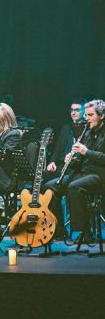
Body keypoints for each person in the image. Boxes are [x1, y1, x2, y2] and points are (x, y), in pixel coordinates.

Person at [42, 99, 105, 243]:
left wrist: (86, 152)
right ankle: (58, 231)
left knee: (74, 187)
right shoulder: (87, 132)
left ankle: (82, 233)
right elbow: (81, 159)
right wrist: (72, 159)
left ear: (101, 115)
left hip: (100, 174)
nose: (87, 119)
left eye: (90, 115)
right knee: (49, 187)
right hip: (84, 173)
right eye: (86, 115)